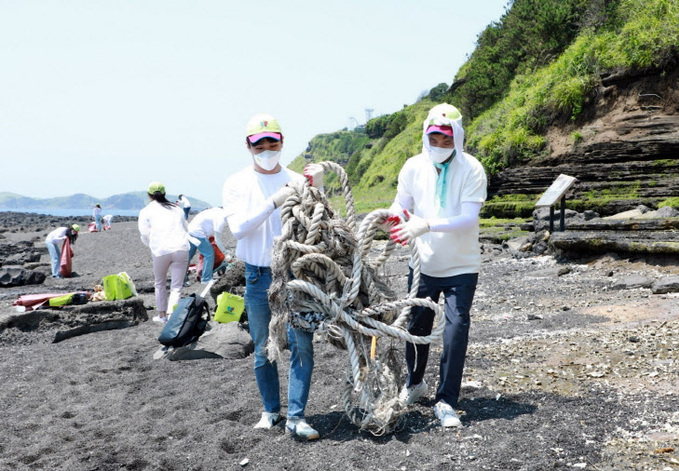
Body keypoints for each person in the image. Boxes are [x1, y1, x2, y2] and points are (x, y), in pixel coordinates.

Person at [222, 113, 322, 440]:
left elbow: (317, 223)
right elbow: (237, 229)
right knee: (264, 347)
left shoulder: (296, 178)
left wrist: (316, 187)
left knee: (300, 344)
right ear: (248, 146)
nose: (267, 149)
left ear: (282, 143)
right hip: (256, 277)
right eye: (259, 144)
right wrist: (272, 203)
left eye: (273, 143)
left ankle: (296, 416)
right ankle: (270, 410)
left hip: (293, 272)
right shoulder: (236, 183)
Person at [388, 103, 488, 428]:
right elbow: (401, 203)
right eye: (434, 139)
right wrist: (395, 214)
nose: (440, 146)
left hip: (461, 267)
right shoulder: (413, 167)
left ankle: (446, 400)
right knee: (415, 328)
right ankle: (415, 383)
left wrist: (427, 225)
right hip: (424, 266)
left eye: (446, 139)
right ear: (425, 136)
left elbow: (468, 218)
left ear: (457, 137)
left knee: (455, 331)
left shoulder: (472, 169)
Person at [138, 182, 190, 324]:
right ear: (165, 194)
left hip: (160, 250)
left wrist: (150, 245)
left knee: (160, 283)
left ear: (149, 195)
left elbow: (144, 234)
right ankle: (173, 315)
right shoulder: (176, 208)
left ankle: (162, 316)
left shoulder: (146, 211)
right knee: (177, 286)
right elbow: (186, 228)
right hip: (181, 248)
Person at [185, 207, 229, 284]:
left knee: (188, 256)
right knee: (209, 253)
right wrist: (226, 253)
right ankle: (206, 279)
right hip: (198, 232)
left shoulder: (219, 211)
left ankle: (182, 280)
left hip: (190, 230)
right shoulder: (221, 219)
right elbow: (217, 240)